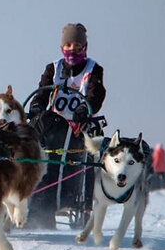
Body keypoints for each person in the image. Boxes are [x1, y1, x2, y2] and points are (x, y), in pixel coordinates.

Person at [27, 23, 106, 229]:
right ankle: (37, 209)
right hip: (52, 129)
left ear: (85, 47)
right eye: (68, 45)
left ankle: (80, 204)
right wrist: (37, 106)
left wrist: (85, 108)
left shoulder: (93, 69)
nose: (73, 49)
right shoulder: (54, 69)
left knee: (83, 161)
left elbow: (95, 94)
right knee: (40, 158)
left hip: (79, 129)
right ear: (63, 47)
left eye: (77, 45)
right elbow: (42, 92)